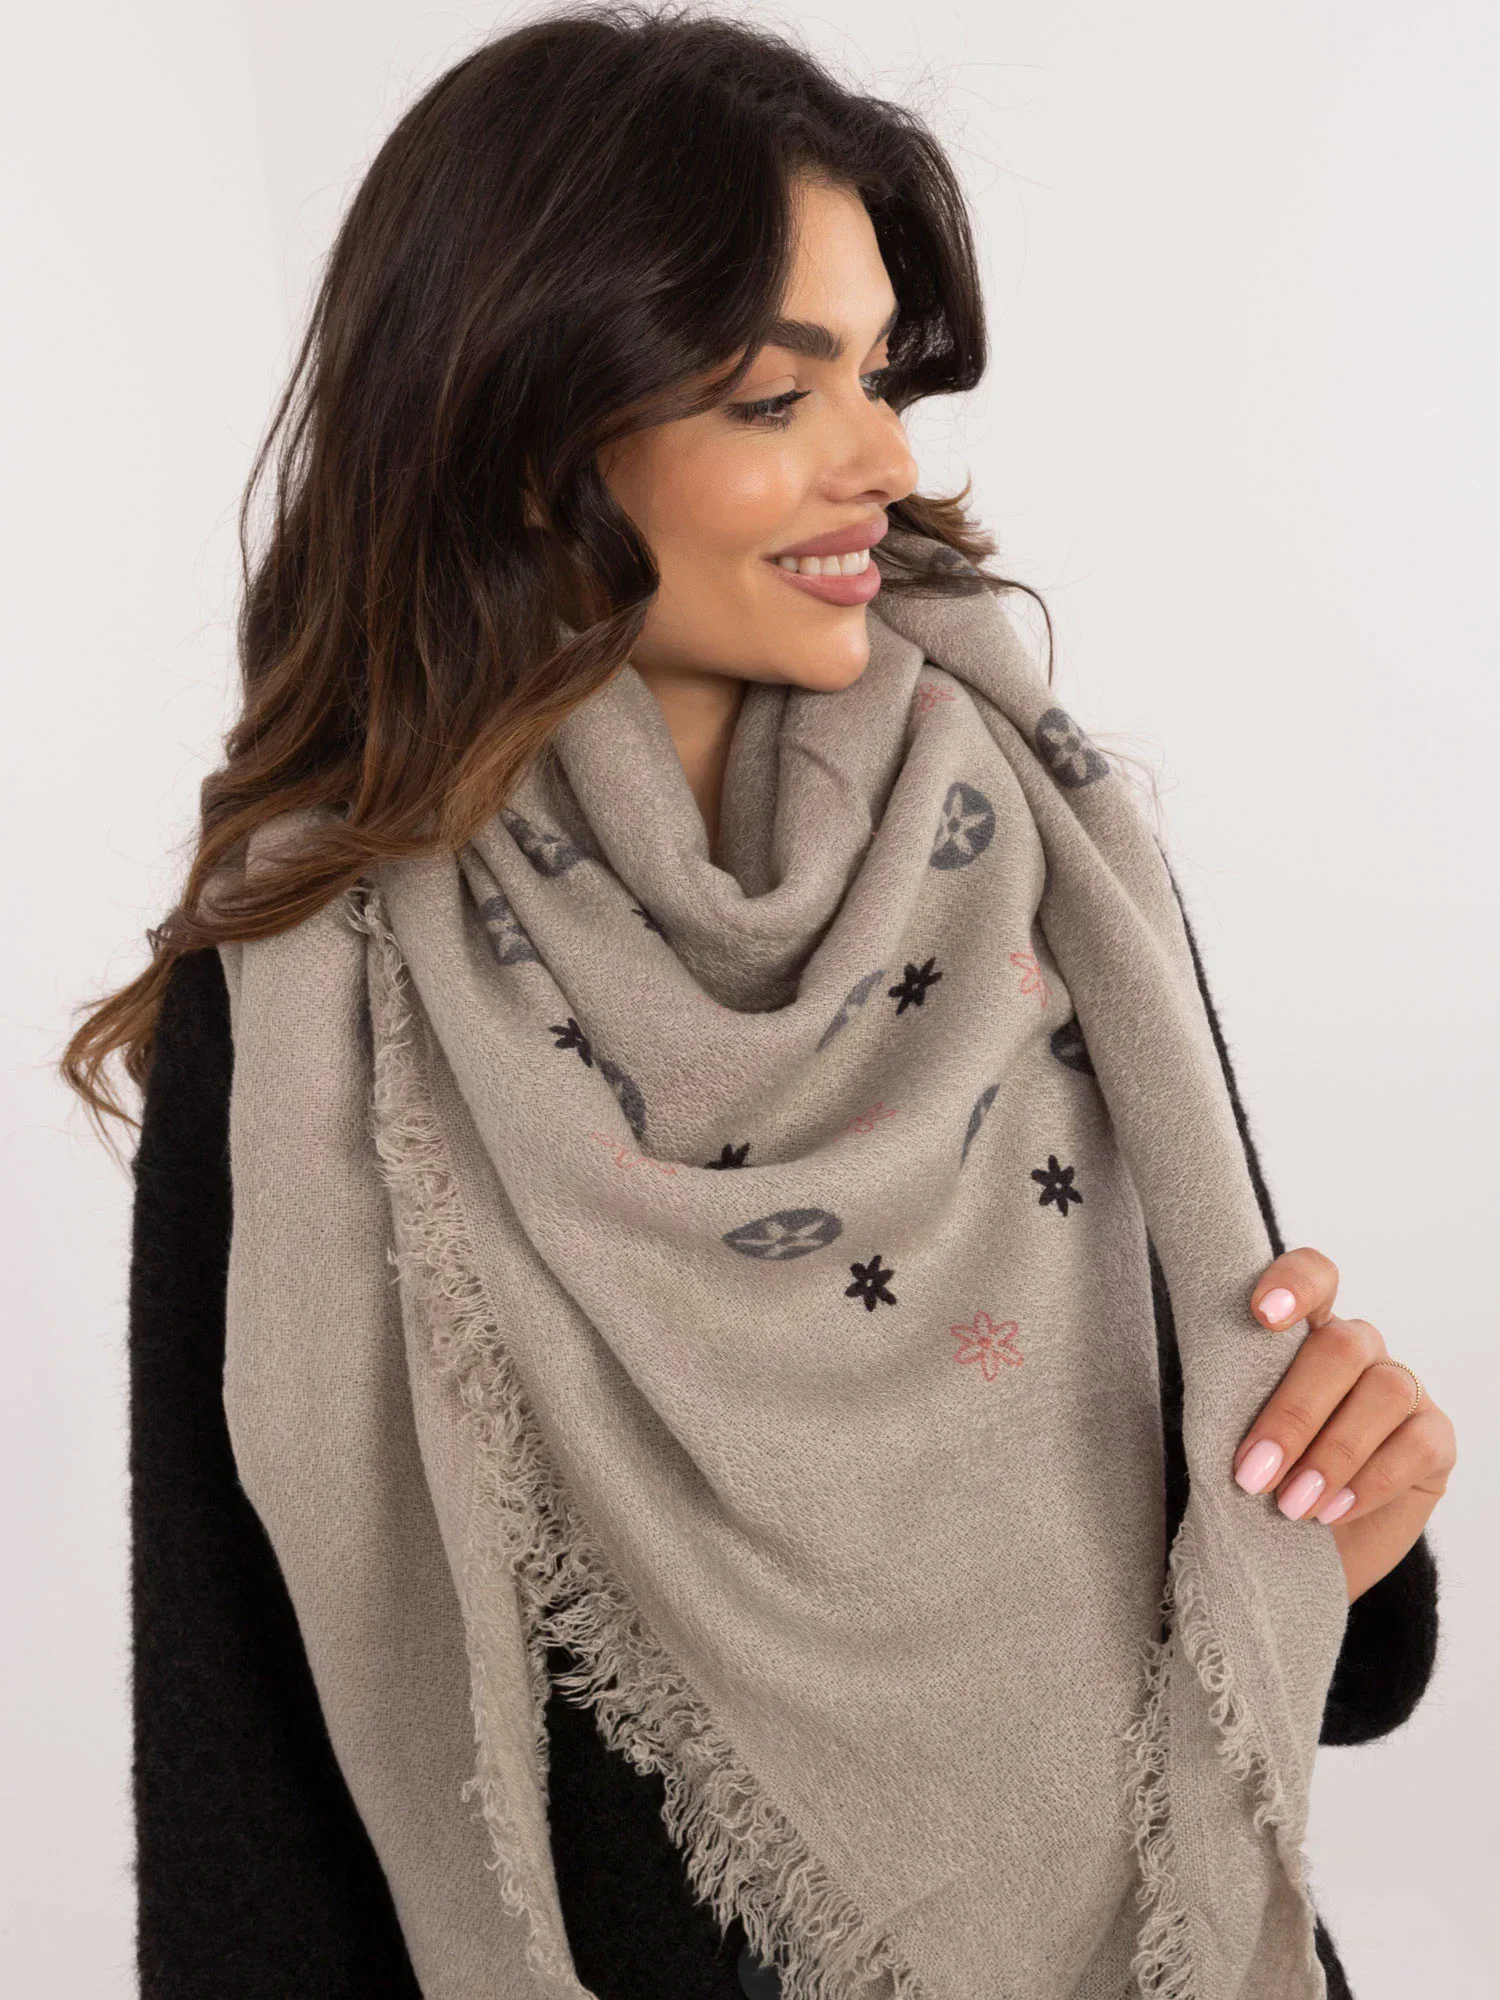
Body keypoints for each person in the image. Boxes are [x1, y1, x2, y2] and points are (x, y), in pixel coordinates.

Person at [64, 8, 1451, 1997]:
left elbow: (1314, 1653)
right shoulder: (314, 983)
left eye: (878, 376)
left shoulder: (1045, 861)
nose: (882, 459)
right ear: (531, 438)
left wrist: (1355, 1522)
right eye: (775, 395)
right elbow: (245, 1791)